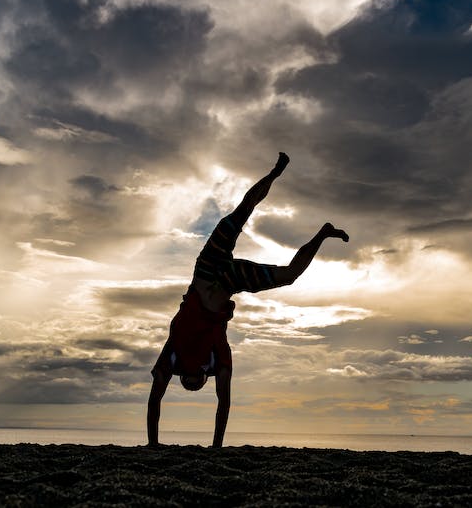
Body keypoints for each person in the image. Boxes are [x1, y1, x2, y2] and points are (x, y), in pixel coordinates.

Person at [146, 152, 349, 447]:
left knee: (243, 211)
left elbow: (156, 400)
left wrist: (153, 444)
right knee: (288, 275)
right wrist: (216, 446)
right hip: (230, 280)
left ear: (185, 376)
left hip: (207, 267)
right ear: (204, 377)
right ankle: (324, 233)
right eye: (196, 380)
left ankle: (275, 173)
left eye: (187, 380)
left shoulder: (174, 356)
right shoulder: (216, 358)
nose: (192, 376)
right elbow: (223, 403)